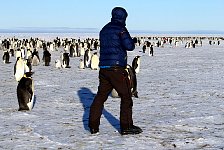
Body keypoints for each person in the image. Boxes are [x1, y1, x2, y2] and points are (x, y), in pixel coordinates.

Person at [88, 7, 142, 135]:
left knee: (100, 97)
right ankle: (126, 126)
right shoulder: (121, 29)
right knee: (126, 96)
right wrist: (132, 41)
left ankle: (93, 126)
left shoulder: (104, 29)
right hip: (117, 69)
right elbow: (129, 46)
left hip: (104, 68)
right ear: (123, 17)